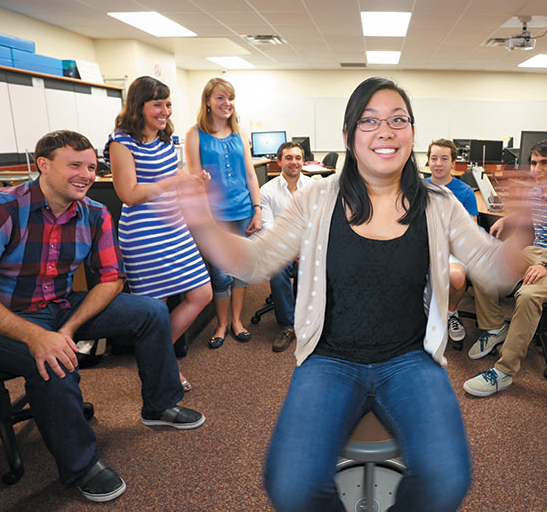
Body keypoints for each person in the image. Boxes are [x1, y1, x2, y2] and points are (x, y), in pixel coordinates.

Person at [178, 77, 527, 511]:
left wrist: (525, 222)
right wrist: (201, 222)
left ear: (412, 134)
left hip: (408, 359)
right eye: (370, 121)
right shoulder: (317, 198)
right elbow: (254, 262)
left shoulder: (438, 204)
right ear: (348, 136)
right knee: (291, 486)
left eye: (398, 120)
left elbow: (494, 270)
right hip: (330, 359)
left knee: (445, 481)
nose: (386, 131)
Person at [0, 130, 205, 503]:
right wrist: (38, 336)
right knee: (52, 358)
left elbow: (111, 279)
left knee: (151, 311)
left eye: (91, 167)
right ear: (43, 165)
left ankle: (159, 404)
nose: (87, 175)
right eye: (74, 165)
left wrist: (70, 327)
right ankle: (82, 464)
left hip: (58, 306)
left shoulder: (94, 213)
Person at [105, 76, 212, 392]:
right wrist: (172, 182)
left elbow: (171, 177)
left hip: (174, 228)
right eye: (157, 104)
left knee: (201, 294)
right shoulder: (121, 142)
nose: (165, 111)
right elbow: (129, 194)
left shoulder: (167, 139)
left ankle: (157, 355)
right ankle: (162, 366)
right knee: (156, 308)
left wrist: (191, 179)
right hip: (144, 235)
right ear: (139, 106)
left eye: (168, 104)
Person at [463, 139, 547, 397]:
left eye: (545, 163)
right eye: (534, 163)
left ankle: (504, 371)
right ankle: (496, 327)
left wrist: (546, 265)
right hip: (536, 252)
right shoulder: (537, 191)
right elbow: (530, 214)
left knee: (529, 295)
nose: (537, 169)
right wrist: (505, 220)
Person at [185, 77, 262, 348]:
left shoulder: (239, 133)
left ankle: (237, 321)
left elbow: (251, 176)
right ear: (208, 101)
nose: (226, 103)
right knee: (220, 274)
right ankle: (221, 324)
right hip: (215, 215)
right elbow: (195, 178)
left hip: (243, 210)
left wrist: (257, 209)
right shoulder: (195, 134)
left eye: (230, 98)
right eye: (220, 97)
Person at [259, 141, 314, 353]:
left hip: (306, 248)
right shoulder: (267, 190)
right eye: (289, 158)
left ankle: (307, 320)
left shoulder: (312, 188)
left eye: (298, 158)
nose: (294, 162)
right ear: (279, 162)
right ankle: (288, 326)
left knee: (310, 265)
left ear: (303, 161)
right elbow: (269, 229)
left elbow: (316, 223)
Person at [425, 138, 478, 349]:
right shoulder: (418, 189)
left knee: (457, 277)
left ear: (453, 162)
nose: (438, 163)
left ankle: (451, 312)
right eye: (434, 158)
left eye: (444, 159)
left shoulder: (464, 192)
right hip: (422, 247)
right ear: (428, 161)